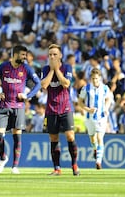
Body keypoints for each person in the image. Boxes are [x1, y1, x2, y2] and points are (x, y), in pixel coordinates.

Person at [0, 45, 41, 174]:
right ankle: (3, 158)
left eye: (25, 55)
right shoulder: (3, 66)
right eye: (22, 55)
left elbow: (38, 83)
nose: (25, 57)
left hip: (19, 107)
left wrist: (27, 96)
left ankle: (15, 166)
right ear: (15, 55)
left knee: (17, 137)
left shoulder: (26, 68)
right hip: (4, 106)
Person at [40, 44, 80, 176]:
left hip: (66, 107)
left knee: (70, 136)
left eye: (54, 54)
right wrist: (52, 70)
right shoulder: (45, 69)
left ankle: (74, 165)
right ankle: (57, 168)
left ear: (60, 56)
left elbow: (66, 83)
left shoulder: (67, 67)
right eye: (50, 54)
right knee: (53, 138)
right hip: (51, 109)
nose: (52, 56)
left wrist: (57, 70)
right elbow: (44, 85)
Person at [78, 68, 111, 170]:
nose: (95, 81)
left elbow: (108, 99)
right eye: (93, 79)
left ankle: (98, 162)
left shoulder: (105, 88)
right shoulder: (86, 88)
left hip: (101, 117)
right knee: (92, 138)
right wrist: (88, 109)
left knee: (100, 137)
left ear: (100, 78)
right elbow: (80, 102)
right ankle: (95, 149)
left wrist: (106, 108)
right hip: (89, 117)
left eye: (96, 78)